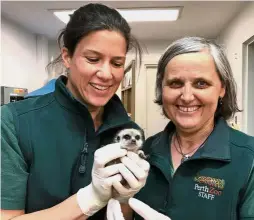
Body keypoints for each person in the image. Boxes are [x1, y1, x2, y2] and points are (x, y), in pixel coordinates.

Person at [106, 37, 254, 220]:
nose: (186, 97)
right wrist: (120, 200)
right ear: (162, 90)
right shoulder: (145, 151)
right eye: (175, 83)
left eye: (201, 83)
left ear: (222, 89)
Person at [1, 3, 150, 219]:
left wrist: (124, 198)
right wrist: (91, 198)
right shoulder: (15, 122)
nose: (106, 74)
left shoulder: (129, 133)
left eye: (117, 63)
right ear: (67, 57)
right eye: (93, 59)